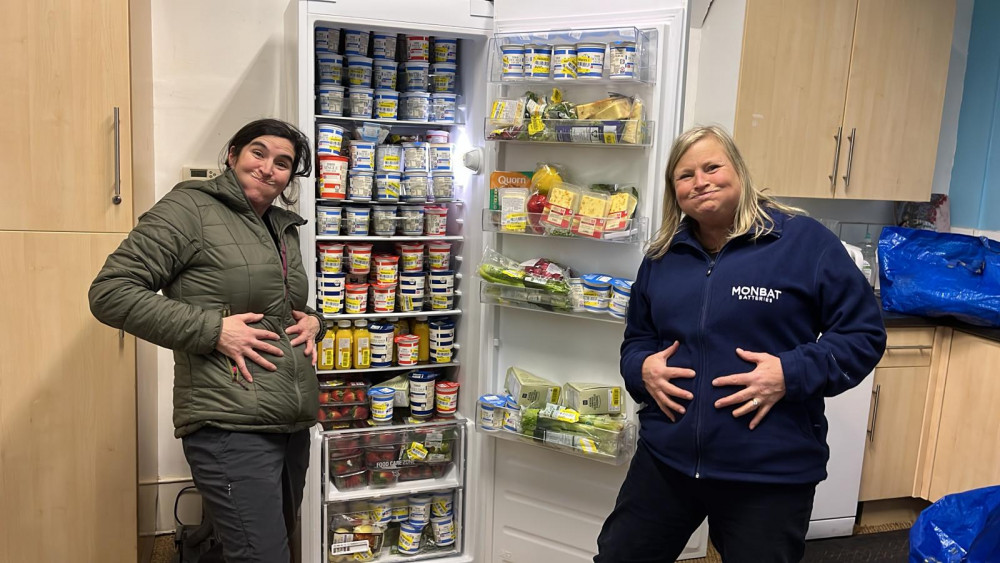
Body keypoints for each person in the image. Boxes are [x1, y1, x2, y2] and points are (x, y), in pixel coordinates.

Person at [595, 125, 886, 563]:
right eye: (685, 175)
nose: (701, 181)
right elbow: (637, 339)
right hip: (667, 459)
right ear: (675, 190)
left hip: (768, 468)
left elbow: (864, 334)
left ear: (740, 172)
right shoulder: (662, 257)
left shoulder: (803, 243)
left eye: (712, 167)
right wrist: (642, 370)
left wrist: (789, 373)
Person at [90, 118, 324, 562]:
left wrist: (315, 321)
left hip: (290, 423)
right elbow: (111, 292)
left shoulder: (280, 226)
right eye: (258, 152)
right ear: (233, 155)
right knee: (263, 555)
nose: (268, 167)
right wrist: (214, 330)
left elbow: (277, 308)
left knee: (259, 544)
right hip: (229, 422)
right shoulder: (190, 209)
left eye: (283, 162)